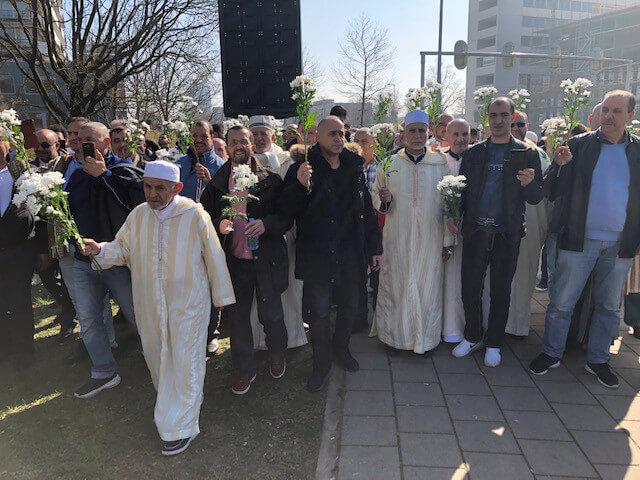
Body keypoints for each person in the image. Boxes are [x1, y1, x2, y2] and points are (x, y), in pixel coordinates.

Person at [80, 160, 235, 456]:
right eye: (148, 187)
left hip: (188, 303)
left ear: (176, 188)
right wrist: (100, 250)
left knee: (186, 360)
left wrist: (222, 297)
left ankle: (181, 426)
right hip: (149, 303)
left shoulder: (194, 215)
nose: (152, 194)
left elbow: (214, 255)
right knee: (157, 357)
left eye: (160, 188)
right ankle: (174, 408)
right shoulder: (139, 215)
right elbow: (123, 250)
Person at [529, 90, 640, 389]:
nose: (608, 116)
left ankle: (598, 360)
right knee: (562, 302)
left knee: (608, 307)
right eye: (605, 109)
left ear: (630, 116)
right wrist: (560, 165)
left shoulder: (637, 152)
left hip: (620, 246)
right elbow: (550, 191)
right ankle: (551, 353)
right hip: (579, 241)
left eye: (616, 111)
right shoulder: (579, 146)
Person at [278, 116, 382, 392]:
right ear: (318, 137)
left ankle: (341, 349)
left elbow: (367, 211)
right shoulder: (304, 167)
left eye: (342, 133)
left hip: (351, 250)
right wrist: (300, 186)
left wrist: (375, 247)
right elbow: (287, 210)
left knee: (350, 305)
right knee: (320, 312)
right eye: (332, 134)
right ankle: (321, 363)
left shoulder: (353, 166)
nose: (338, 138)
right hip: (318, 252)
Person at [452, 97, 543, 367]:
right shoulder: (474, 153)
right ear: (487, 118)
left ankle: (494, 342)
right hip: (476, 231)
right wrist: (453, 214)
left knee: (501, 291)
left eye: (504, 115)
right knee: (470, 287)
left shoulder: (527, 153)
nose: (499, 120)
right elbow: (463, 191)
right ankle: (472, 335)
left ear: (512, 117)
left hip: (507, 234)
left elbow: (537, 197)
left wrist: (529, 185)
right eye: (494, 115)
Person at [200, 126, 291, 394]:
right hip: (234, 261)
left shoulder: (271, 180)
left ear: (253, 146)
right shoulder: (217, 183)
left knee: (271, 314)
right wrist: (218, 223)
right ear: (226, 147)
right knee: (238, 319)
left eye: (244, 141)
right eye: (234, 142)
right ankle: (244, 368)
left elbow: (286, 217)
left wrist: (266, 224)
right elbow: (203, 217)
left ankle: (277, 352)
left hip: (266, 260)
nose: (239, 146)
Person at [67, 121, 140, 398]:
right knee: (88, 318)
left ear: (106, 143)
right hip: (84, 260)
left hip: (115, 257)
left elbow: (133, 206)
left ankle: (155, 356)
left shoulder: (121, 171)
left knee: (135, 313)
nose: (83, 143)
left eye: (90, 139)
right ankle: (103, 371)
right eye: (80, 139)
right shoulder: (75, 176)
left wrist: (104, 175)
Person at [371, 110, 449, 355]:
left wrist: (448, 240)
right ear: (403, 132)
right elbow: (376, 197)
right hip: (398, 236)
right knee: (397, 285)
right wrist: (385, 199)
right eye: (412, 130)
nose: (417, 135)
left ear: (429, 132)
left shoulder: (441, 164)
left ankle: (425, 339)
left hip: (431, 237)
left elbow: (449, 205)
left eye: (421, 131)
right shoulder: (389, 163)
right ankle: (394, 338)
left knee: (428, 288)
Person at [247, 115, 307, 351]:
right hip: (255, 235)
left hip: (284, 234)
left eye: (264, 134)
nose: (260, 138)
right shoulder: (243, 161)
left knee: (288, 286)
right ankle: (258, 340)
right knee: (258, 288)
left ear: (273, 136)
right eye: (255, 134)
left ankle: (291, 337)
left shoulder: (285, 161)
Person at [501, 111, 551, 339]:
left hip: (529, 222)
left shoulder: (539, 156)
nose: (516, 127)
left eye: (520, 124)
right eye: (511, 123)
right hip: (500, 223)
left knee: (523, 275)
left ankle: (517, 325)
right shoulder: (493, 150)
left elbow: (546, 194)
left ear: (527, 125)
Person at [31, 129, 76, 339]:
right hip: (41, 234)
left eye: (46, 145)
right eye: (37, 145)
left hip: (64, 231)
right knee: (45, 273)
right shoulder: (27, 169)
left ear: (57, 146)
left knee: (68, 278)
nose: (40, 149)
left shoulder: (66, 164)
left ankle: (68, 320)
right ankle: (63, 304)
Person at [0, 140, 36, 369]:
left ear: (7, 146)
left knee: (20, 300)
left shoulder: (20, 174)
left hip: (17, 250)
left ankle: (24, 351)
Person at [442, 118, 471, 344]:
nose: (461, 139)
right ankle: (447, 327)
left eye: (465, 134)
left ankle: (467, 327)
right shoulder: (439, 161)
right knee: (447, 280)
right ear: (447, 136)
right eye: (456, 134)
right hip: (444, 229)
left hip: (470, 230)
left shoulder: (477, 158)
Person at [176, 120, 225, 201]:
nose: (198, 140)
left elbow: (224, 202)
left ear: (212, 137)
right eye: (194, 136)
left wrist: (209, 184)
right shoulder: (179, 163)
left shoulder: (221, 167)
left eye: (204, 136)